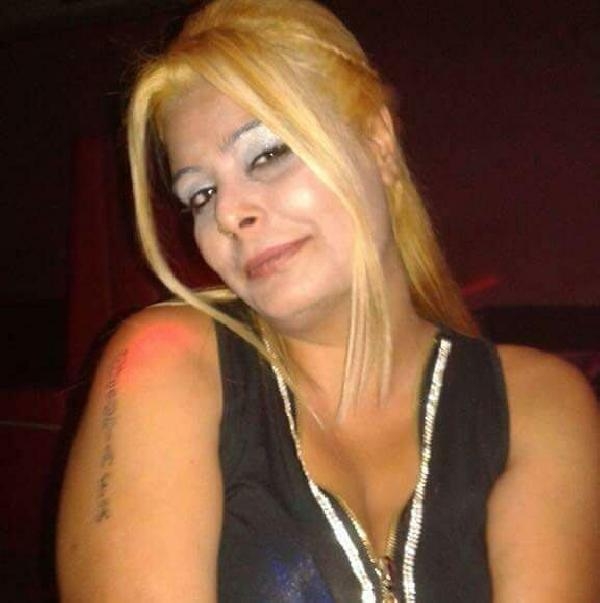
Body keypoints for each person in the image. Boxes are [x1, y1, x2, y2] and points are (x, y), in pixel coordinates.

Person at [56, 0, 599, 601]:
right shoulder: (167, 364)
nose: (230, 213)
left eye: (268, 154)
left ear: (379, 144)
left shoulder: (536, 404)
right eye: (201, 194)